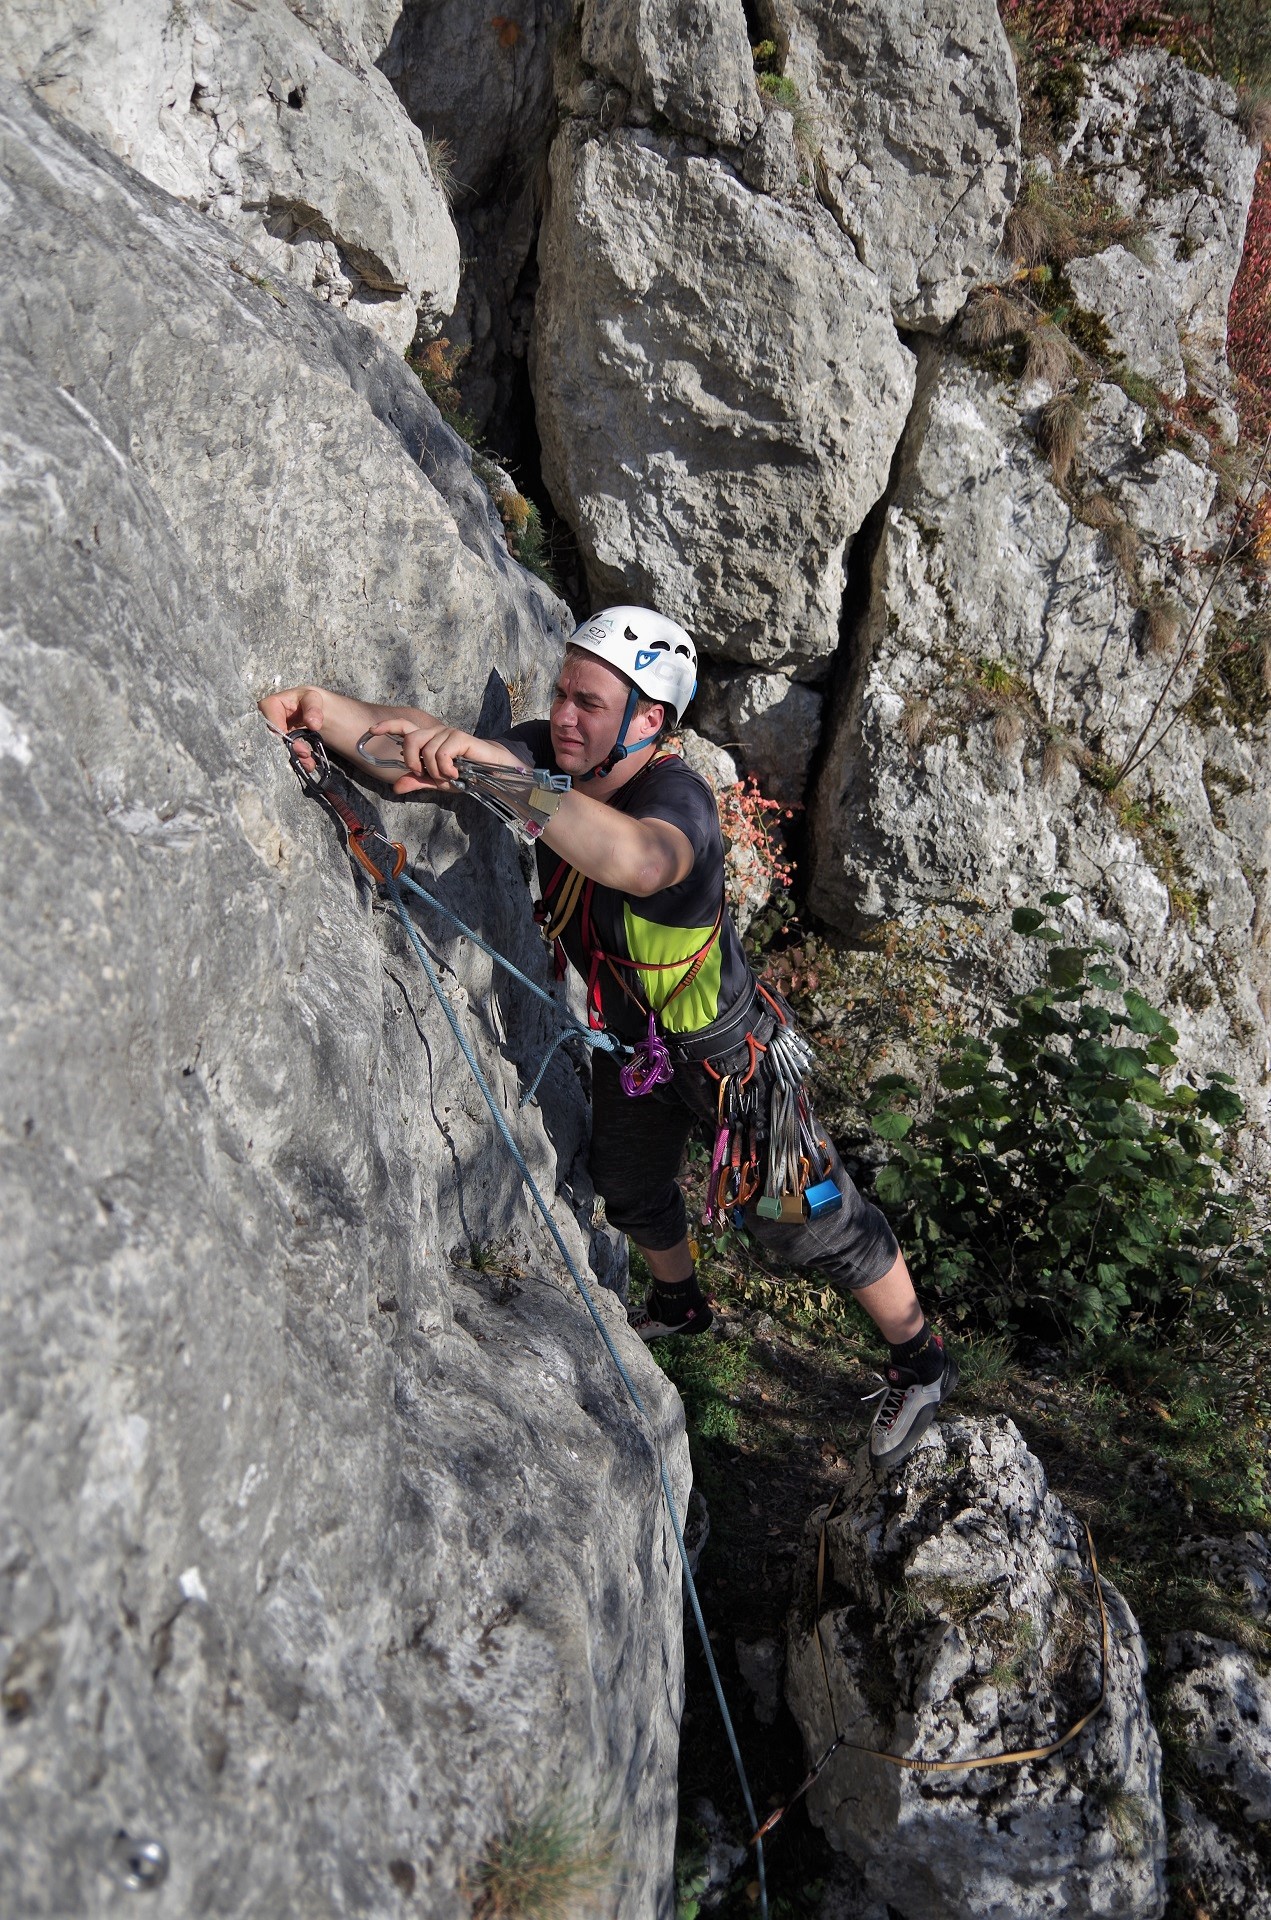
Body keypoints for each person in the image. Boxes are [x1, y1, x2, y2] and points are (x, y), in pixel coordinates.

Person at [260, 607, 956, 1468]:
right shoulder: (554, 760)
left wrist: (494, 772)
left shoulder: (676, 801)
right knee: (627, 1188)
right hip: (633, 1051)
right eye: (561, 693)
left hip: (731, 1060)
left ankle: (919, 1362)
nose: (563, 716)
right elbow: (406, 762)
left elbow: (637, 862)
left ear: (649, 721)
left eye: (588, 703)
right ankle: (680, 1306)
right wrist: (323, 710)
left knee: (803, 1220)